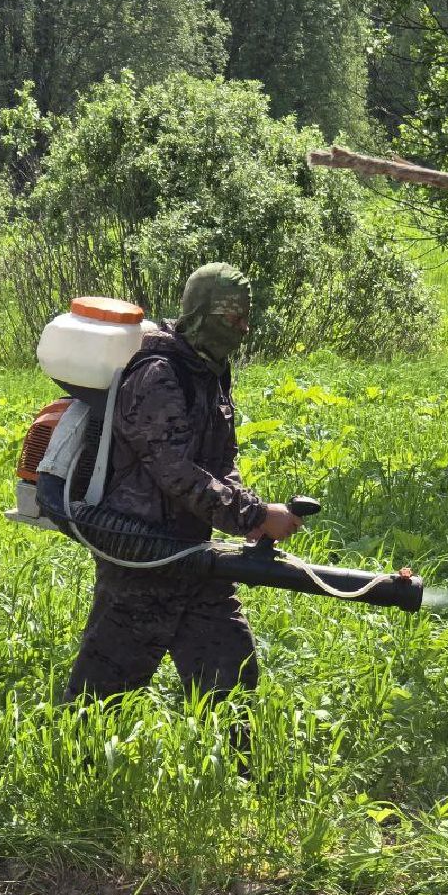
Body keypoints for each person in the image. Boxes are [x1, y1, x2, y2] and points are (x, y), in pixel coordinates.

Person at [64, 262, 302, 705]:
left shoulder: (208, 370)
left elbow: (219, 460)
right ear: (202, 314)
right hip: (141, 557)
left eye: (246, 318)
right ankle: (74, 768)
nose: (242, 329)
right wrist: (252, 514)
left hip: (192, 552)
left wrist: (246, 514)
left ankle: (241, 774)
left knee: (232, 676)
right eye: (232, 319)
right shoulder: (159, 374)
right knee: (99, 700)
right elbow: (174, 470)